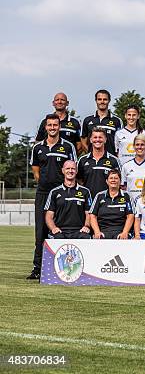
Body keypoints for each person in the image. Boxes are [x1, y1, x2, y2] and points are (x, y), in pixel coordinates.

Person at [29, 114, 77, 280]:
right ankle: (37, 268)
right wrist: (41, 181)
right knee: (40, 231)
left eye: (55, 125)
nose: (52, 128)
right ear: (45, 127)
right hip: (43, 193)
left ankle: (65, 267)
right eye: (49, 125)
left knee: (62, 228)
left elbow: (73, 167)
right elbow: (35, 168)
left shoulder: (68, 146)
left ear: (59, 127)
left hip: (61, 193)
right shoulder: (38, 147)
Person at [44, 160, 92, 240]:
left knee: (86, 237)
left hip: (79, 231)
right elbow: (49, 216)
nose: (70, 171)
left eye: (73, 169)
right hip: (60, 231)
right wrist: (53, 228)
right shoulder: (54, 192)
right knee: (56, 238)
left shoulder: (85, 191)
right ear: (63, 171)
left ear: (76, 171)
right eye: (67, 169)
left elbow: (89, 214)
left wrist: (86, 226)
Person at [89, 170, 134, 239]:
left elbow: (130, 216)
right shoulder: (99, 196)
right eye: (111, 178)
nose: (113, 180)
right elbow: (92, 215)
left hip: (121, 232)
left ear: (120, 181)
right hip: (103, 231)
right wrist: (97, 232)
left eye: (116, 178)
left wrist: (125, 232)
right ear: (107, 181)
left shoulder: (126, 196)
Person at [77, 127, 120, 197]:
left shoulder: (114, 160)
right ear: (90, 140)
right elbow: (78, 180)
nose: (97, 140)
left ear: (105, 139)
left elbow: (119, 181)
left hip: (106, 202)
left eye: (100, 137)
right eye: (95, 137)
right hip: (88, 201)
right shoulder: (82, 160)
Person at [120, 134, 145, 204]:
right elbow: (123, 188)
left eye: (142, 145)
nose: (140, 147)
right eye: (137, 145)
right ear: (134, 146)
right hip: (131, 203)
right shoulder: (126, 166)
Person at [81, 89, 123, 155]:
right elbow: (83, 140)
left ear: (109, 101)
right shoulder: (87, 120)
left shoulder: (117, 121)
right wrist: (90, 153)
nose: (102, 102)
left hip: (111, 160)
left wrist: (116, 157)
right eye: (99, 99)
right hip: (92, 161)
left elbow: (121, 142)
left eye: (105, 99)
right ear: (96, 101)